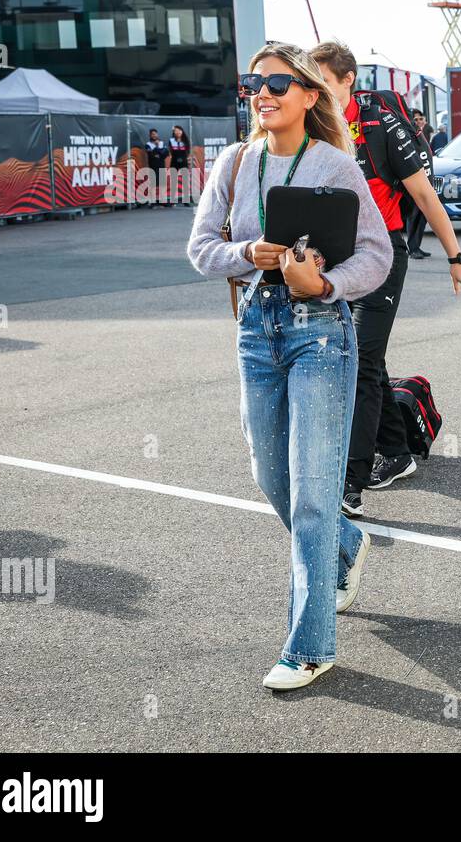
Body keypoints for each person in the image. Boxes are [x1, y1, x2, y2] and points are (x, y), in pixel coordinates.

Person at [187, 42, 392, 691]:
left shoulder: (335, 163)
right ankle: (346, 546)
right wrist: (248, 250)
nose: (264, 91)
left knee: (311, 492)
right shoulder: (236, 160)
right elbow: (200, 249)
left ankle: (309, 646)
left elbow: (377, 254)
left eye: (280, 81)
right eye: (257, 81)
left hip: (320, 333)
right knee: (270, 475)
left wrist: (324, 283)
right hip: (256, 327)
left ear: (308, 94)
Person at [310, 39, 461, 519]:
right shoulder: (312, 128)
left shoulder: (381, 124)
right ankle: (397, 451)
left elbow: (424, 195)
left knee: (358, 362)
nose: (314, 91)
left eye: (323, 82)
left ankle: (350, 482)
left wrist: (457, 256)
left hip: (382, 258)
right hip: (332, 264)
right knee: (370, 360)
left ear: (347, 81)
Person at [403, 113, 434, 260]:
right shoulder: (409, 134)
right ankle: (412, 248)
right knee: (413, 216)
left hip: (428, 181)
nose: (419, 122)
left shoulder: (426, 134)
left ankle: (417, 246)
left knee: (423, 217)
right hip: (416, 182)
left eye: (421, 119)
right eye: (416, 120)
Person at [144, 129, 169, 206]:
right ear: (150, 135)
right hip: (153, 166)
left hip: (161, 166)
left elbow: (165, 154)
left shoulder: (161, 143)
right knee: (153, 185)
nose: (154, 135)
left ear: (157, 135)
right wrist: (158, 150)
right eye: (152, 134)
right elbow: (151, 155)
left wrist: (157, 150)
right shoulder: (148, 144)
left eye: (155, 134)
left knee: (162, 185)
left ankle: (163, 201)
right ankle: (152, 202)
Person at [168, 125, 190, 204]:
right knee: (173, 181)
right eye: (176, 131)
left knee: (185, 182)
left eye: (179, 130)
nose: (178, 132)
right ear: (174, 132)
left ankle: (186, 200)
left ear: (182, 131)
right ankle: (173, 200)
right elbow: (171, 151)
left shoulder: (185, 141)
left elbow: (188, 152)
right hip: (174, 162)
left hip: (183, 162)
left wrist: (183, 159)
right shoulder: (171, 140)